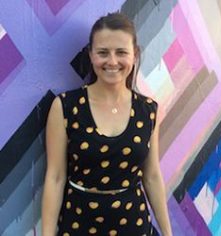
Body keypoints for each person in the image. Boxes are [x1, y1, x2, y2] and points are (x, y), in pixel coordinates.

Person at [42, 12, 172, 236]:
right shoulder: (65, 107)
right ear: (91, 55)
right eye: (103, 53)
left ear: (135, 54)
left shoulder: (148, 110)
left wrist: (168, 233)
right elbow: (55, 177)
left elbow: (151, 176)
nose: (112, 61)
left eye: (121, 52)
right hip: (78, 225)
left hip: (134, 226)